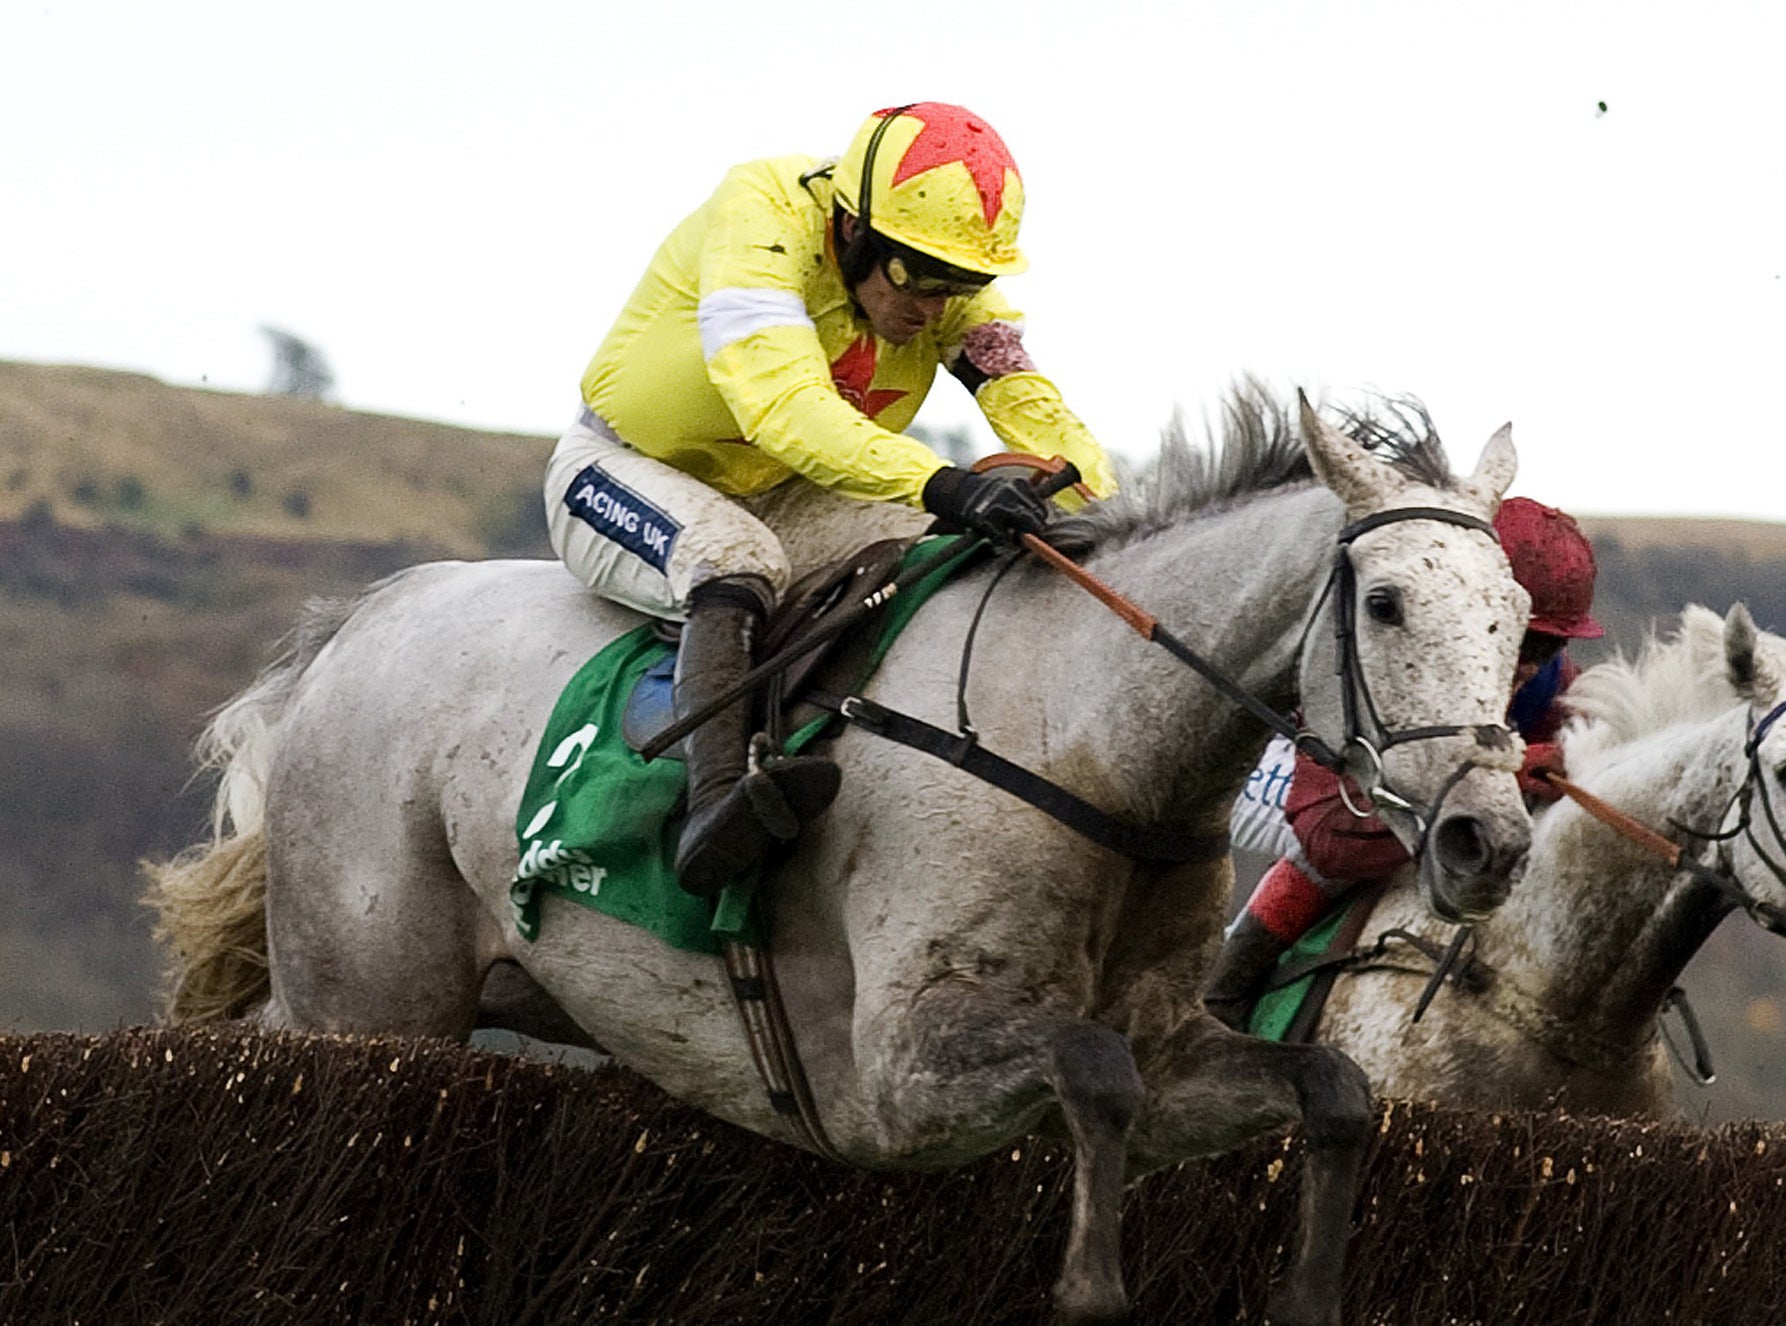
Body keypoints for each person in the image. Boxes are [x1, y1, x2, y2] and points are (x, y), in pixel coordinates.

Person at [543, 102, 1118, 897]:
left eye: (963, 284)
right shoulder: (762, 214)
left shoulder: (941, 280)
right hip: (622, 468)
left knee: (943, 553)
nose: (932, 306)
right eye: (917, 276)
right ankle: (712, 808)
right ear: (851, 226)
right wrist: (947, 483)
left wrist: (1109, 513)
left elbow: (1028, 400)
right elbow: (781, 408)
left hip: (790, 491)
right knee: (734, 560)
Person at [1205, 496, 1606, 1027]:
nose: (1529, 663)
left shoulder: (1556, 692)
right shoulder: (1395, 666)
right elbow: (1328, 836)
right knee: (1324, 860)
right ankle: (1217, 999)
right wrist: (1507, 772)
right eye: (1517, 638)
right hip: (1291, 777)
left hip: (1382, 792)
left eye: (1547, 647)